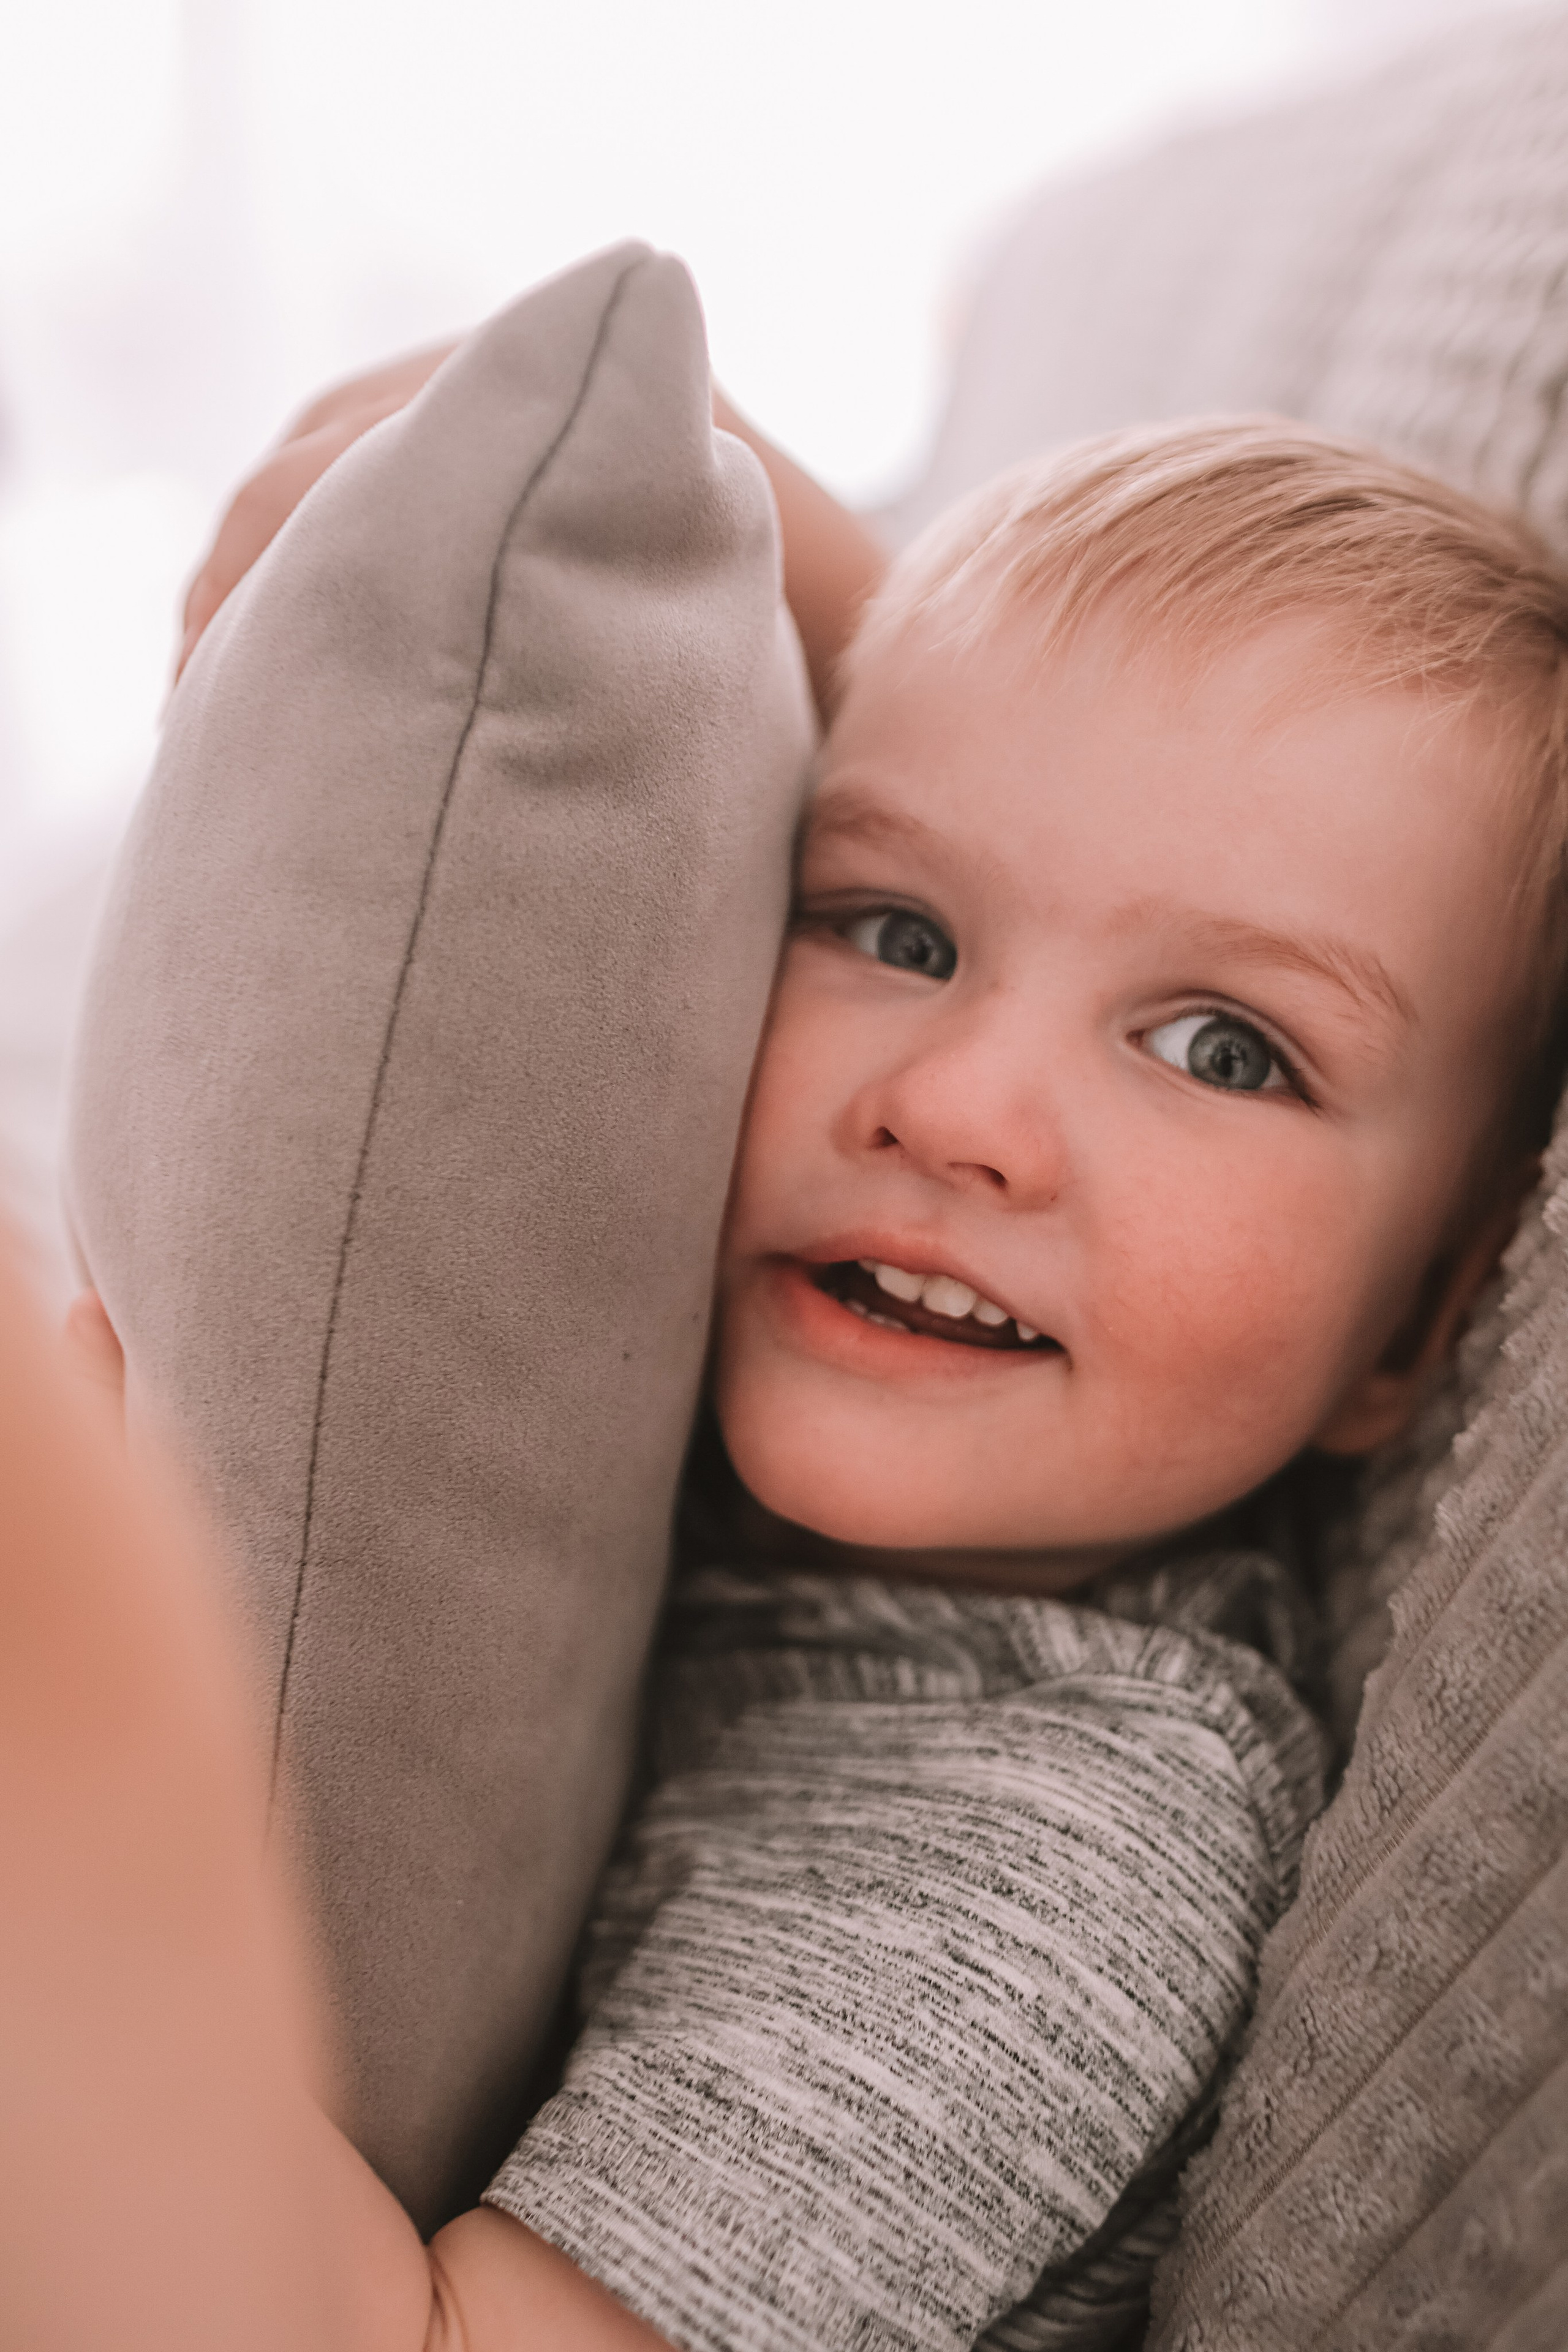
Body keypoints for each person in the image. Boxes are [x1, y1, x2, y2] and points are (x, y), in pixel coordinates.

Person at [15, 363, 1567, 2351]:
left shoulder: (1044, 1853)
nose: (962, 1107)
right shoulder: (710, 1420)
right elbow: (983, 711)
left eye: (1222, 1049)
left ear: (1417, 1330)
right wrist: (616, 437)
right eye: (897, 931)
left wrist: (71, 1715)